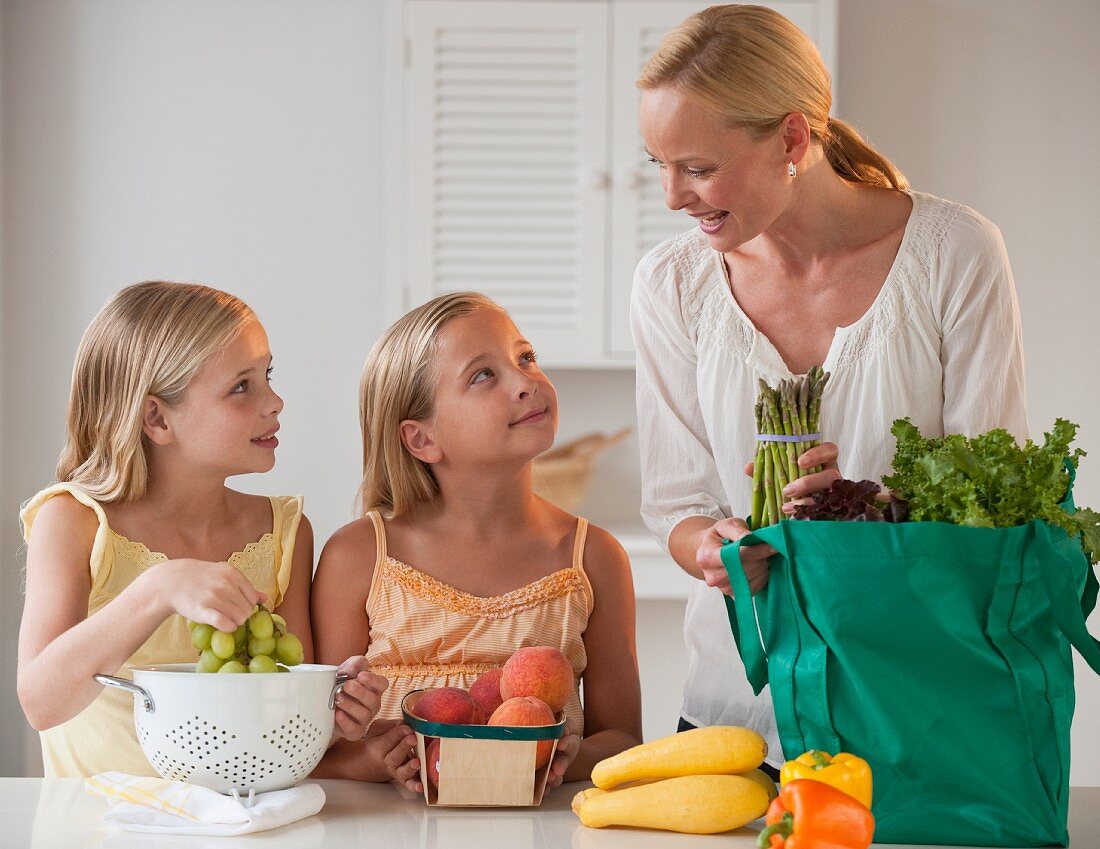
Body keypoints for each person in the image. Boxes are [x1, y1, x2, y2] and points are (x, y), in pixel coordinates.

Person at [631, 5, 1027, 776]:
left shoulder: (955, 255)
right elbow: (675, 504)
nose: (673, 197)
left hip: (908, 710)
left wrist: (869, 512)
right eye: (658, 165)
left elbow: (993, 501)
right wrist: (712, 551)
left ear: (790, 138)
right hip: (732, 715)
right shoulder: (669, 283)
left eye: (699, 167)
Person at [17, 281, 388, 777]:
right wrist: (156, 590)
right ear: (157, 417)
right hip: (100, 827)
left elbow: (282, 727)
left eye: (267, 375)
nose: (274, 401)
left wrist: (331, 711)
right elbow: (41, 703)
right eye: (242, 386)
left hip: (238, 824)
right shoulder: (74, 520)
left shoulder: (285, 533)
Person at [310, 291, 642, 791]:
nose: (526, 382)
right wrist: (372, 760)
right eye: (483, 375)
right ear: (422, 439)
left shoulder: (593, 558)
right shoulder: (358, 557)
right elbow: (314, 749)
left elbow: (622, 740)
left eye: (525, 357)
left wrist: (567, 758)